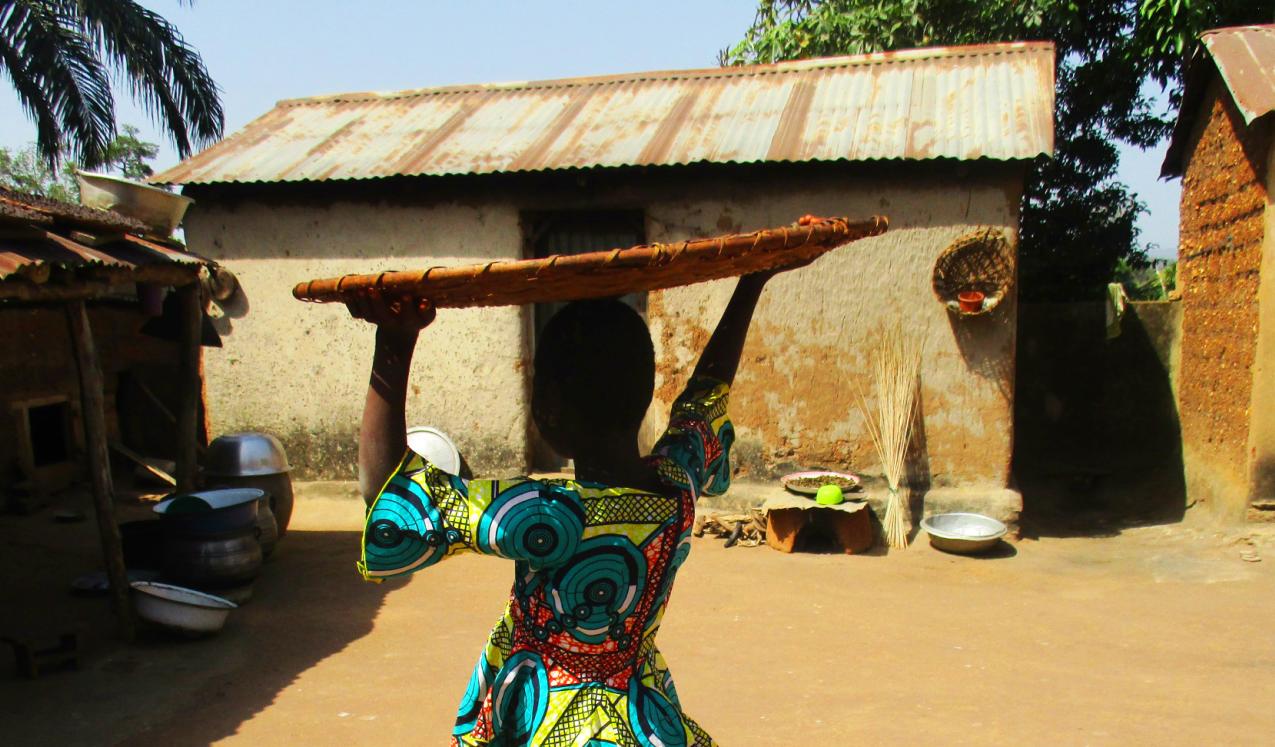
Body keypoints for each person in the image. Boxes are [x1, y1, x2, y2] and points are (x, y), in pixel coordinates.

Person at [347, 265, 798, 746]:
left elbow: (390, 495)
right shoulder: (677, 485)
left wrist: (394, 344)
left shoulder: (547, 515)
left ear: (548, 410)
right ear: (645, 395)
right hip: (642, 720)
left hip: (543, 722)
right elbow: (706, 396)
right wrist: (752, 282)